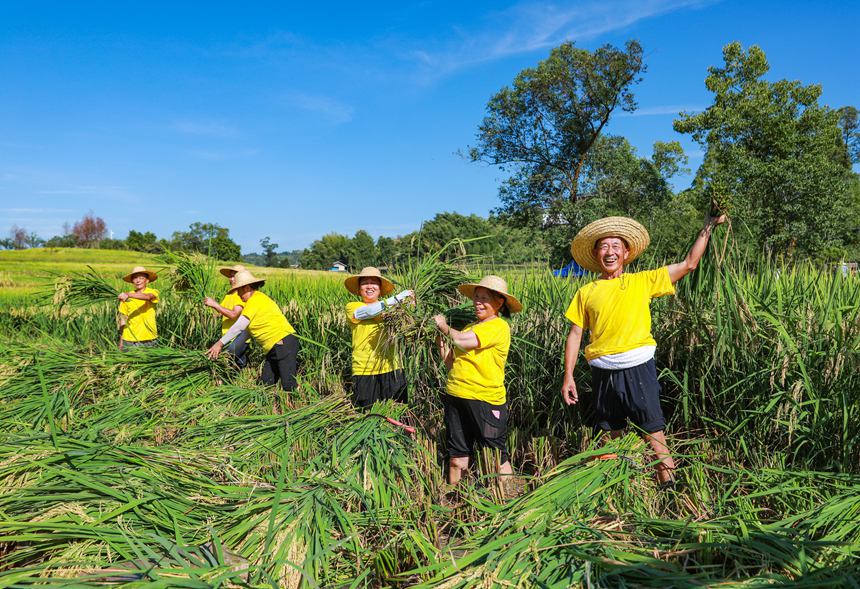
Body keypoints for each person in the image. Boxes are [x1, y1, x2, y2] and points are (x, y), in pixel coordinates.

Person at [561, 213, 726, 488]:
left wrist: (708, 226)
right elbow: (575, 334)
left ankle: (669, 488)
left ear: (626, 252)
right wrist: (568, 376)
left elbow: (689, 264)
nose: (610, 252)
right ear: (595, 253)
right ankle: (616, 489)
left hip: (637, 367)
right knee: (610, 434)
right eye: (604, 246)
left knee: (654, 433)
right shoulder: (586, 292)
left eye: (616, 246)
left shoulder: (643, 281)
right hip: (602, 371)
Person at [433, 275, 522, 485]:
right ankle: (455, 502)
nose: (478, 303)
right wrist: (439, 338)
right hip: (456, 396)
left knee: (496, 458)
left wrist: (445, 327)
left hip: (485, 399)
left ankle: (510, 499)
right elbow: (451, 363)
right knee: (457, 457)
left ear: (499, 302)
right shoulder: (469, 327)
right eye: (476, 298)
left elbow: (461, 340)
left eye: (484, 298)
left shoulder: (498, 327)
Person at [207, 270, 299, 391]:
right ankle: (268, 409)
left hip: (283, 343)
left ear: (246, 287)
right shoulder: (255, 302)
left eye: (239, 290)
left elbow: (239, 326)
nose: (238, 295)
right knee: (265, 385)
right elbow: (246, 332)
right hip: (273, 348)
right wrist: (228, 351)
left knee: (288, 384)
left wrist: (219, 344)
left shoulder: (255, 300)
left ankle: (307, 406)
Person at [344, 267, 413, 408]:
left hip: (393, 367)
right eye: (364, 283)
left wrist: (411, 306)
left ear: (380, 289)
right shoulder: (353, 307)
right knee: (368, 414)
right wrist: (399, 298)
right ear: (359, 289)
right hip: (365, 369)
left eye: (374, 283)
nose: (369, 286)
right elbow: (370, 311)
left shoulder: (394, 310)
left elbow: (408, 331)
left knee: (398, 412)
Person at [204, 264, 251, 368]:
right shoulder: (229, 295)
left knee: (227, 360)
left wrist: (215, 304)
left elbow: (233, 314)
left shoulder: (241, 294)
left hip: (239, 335)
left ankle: (226, 381)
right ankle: (241, 380)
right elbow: (221, 312)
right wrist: (210, 307)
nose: (230, 279)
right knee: (237, 364)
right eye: (230, 276)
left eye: (234, 276)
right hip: (227, 336)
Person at [117, 266, 159, 350]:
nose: (138, 280)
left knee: (147, 362)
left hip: (147, 338)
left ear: (147, 280)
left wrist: (128, 294)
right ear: (132, 281)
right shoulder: (125, 297)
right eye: (135, 278)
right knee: (128, 363)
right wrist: (121, 341)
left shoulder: (153, 292)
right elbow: (123, 320)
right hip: (128, 339)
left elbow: (148, 297)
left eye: (141, 278)